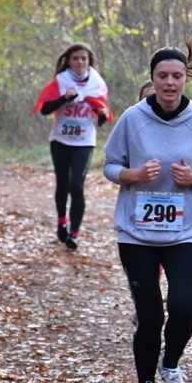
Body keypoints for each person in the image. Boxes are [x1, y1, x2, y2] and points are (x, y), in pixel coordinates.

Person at [103, 40, 192, 383]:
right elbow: (109, 165)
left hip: (185, 231)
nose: (170, 83)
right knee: (150, 313)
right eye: (162, 76)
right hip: (136, 233)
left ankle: (170, 365)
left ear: (186, 79)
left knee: (184, 306)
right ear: (152, 79)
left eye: (177, 76)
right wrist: (133, 174)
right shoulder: (132, 118)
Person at [33, 42, 112, 251]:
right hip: (60, 140)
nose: (79, 62)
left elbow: (100, 113)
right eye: (75, 58)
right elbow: (44, 109)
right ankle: (61, 219)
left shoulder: (97, 83)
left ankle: (74, 233)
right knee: (63, 183)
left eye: (83, 58)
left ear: (89, 61)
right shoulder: (61, 81)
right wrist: (64, 98)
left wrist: (102, 115)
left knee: (76, 185)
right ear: (68, 60)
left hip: (84, 142)